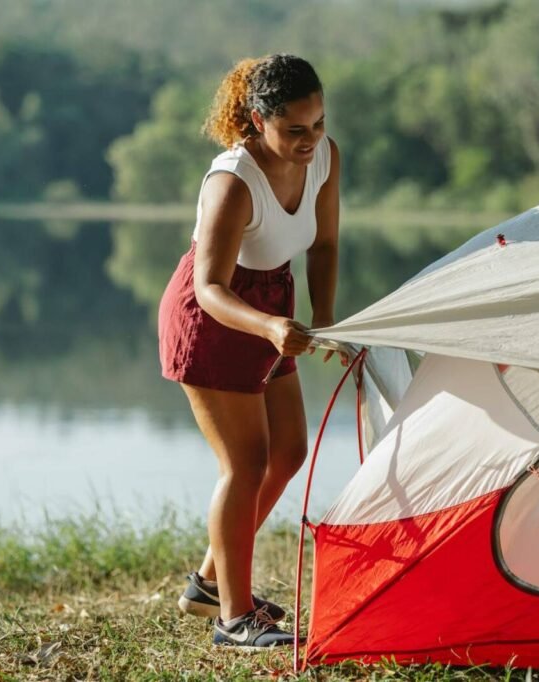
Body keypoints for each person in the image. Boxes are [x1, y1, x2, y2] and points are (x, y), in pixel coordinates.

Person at [157, 54, 342, 650]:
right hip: (216, 315)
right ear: (259, 120)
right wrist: (267, 327)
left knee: (288, 449)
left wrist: (326, 318)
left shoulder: (325, 158)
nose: (310, 139)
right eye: (295, 129)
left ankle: (208, 586)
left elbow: (326, 242)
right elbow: (209, 287)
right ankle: (234, 619)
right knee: (245, 465)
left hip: (271, 304)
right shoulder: (233, 180)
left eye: (316, 124)